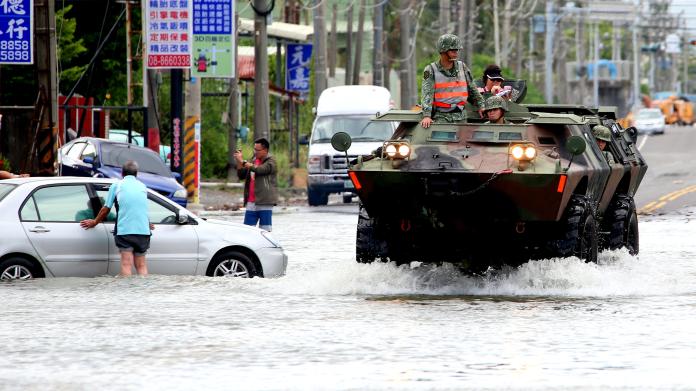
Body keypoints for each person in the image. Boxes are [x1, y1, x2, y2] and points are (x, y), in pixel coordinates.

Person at [80, 160, 152, 276]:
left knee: (126, 264)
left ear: (122, 173)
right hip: (143, 231)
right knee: (142, 266)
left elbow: (106, 209)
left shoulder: (117, 185)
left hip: (125, 231)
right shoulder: (143, 187)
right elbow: (140, 207)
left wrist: (95, 222)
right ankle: (143, 292)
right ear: (136, 174)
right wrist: (147, 223)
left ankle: (126, 293)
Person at [420, 33, 485, 129]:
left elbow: (472, 88)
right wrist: (426, 116)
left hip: (461, 117)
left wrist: (481, 105)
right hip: (441, 117)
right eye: (453, 50)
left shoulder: (462, 67)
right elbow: (427, 93)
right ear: (443, 51)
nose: (456, 53)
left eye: (457, 50)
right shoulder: (430, 70)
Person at [234, 137, 278, 231]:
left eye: (257, 150)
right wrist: (238, 161)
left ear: (265, 150)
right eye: (254, 149)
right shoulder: (253, 160)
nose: (255, 152)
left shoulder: (271, 161)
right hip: (251, 202)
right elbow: (241, 174)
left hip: (264, 201)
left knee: (265, 232)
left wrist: (243, 161)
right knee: (247, 230)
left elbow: (259, 169)